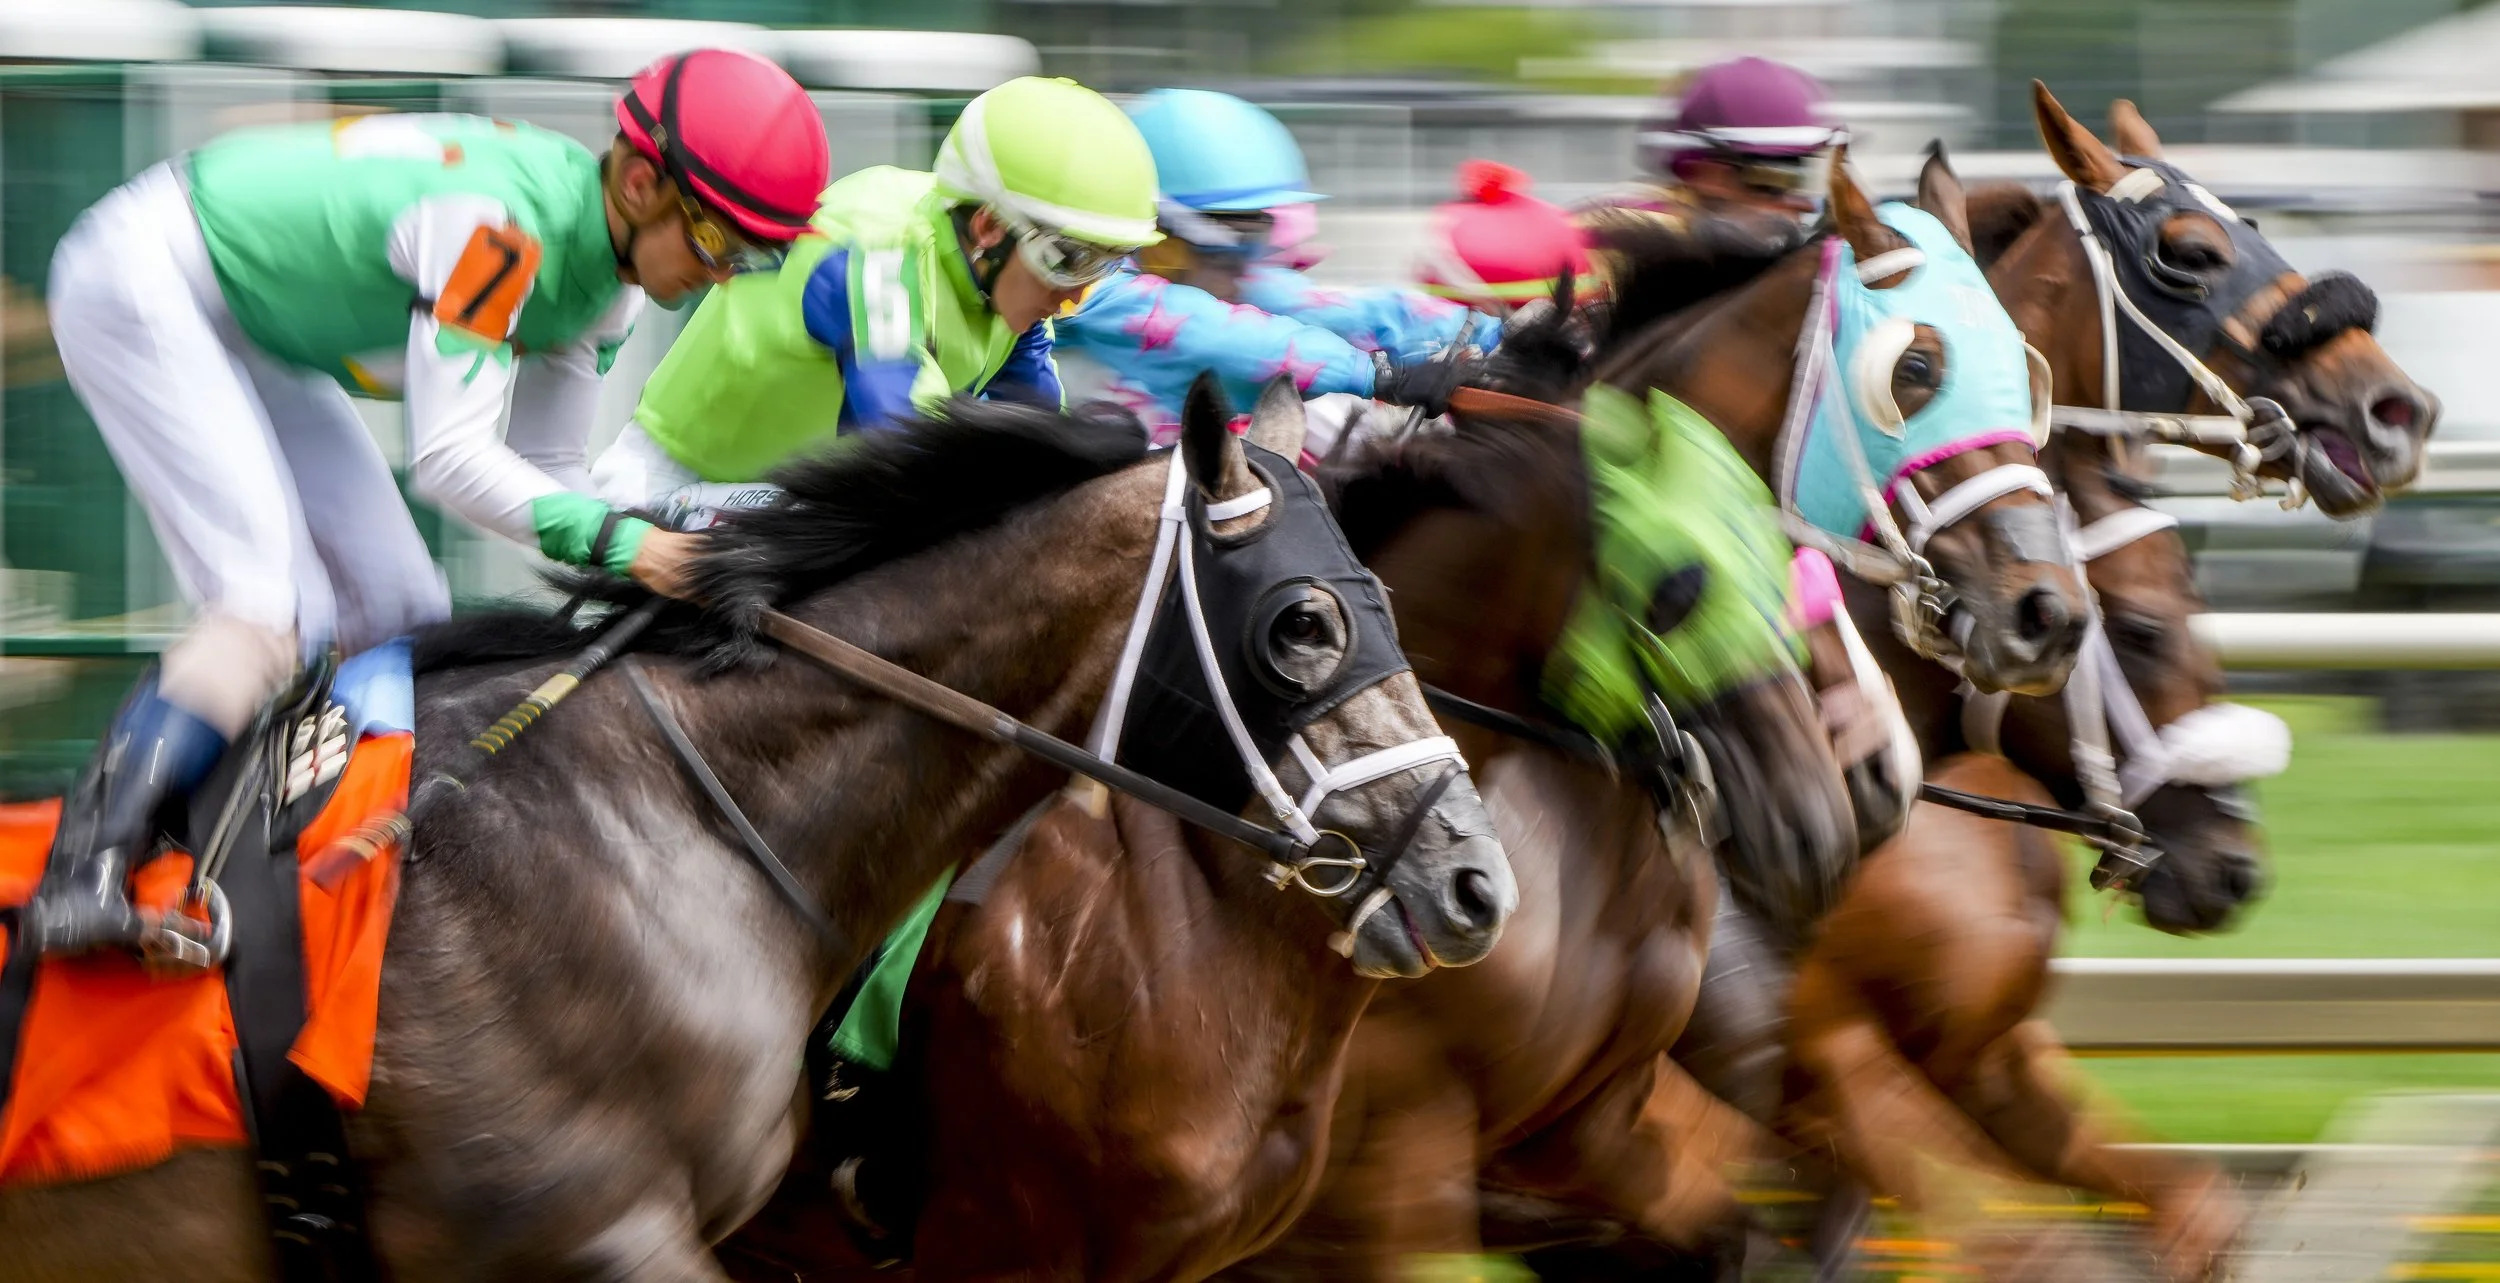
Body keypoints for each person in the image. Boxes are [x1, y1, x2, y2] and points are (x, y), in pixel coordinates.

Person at [25, 47, 830, 965]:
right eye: (721, 242)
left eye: (750, 257)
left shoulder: (609, 288)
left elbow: (547, 474)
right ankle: (81, 874)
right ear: (644, 182)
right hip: (145, 278)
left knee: (405, 611)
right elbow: (450, 459)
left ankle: (284, 868)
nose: (725, 276)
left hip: (249, 324)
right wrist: (634, 548)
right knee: (264, 608)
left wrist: (683, 527)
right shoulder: (503, 230)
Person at [593, 76, 1159, 526]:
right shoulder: (877, 247)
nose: (1077, 295)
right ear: (989, 227)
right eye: (1069, 260)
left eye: (1103, 265)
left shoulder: (1012, 286)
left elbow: (1041, 445)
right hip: (665, 493)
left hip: (787, 495)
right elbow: (907, 447)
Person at [1054, 88, 1479, 440]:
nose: (1245, 261)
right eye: (1231, 234)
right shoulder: (1087, 288)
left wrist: (1493, 332)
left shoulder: (1216, 279)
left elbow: (1335, 308)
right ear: (1160, 233)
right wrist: (1377, 374)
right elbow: (1212, 331)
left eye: (1256, 229)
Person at [1576, 56, 1845, 288]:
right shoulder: (1612, 242)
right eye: (1781, 176)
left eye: (1807, 176)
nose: (1806, 205)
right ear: (1708, 175)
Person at [1414, 159, 1595, 320]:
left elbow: (1440, 266)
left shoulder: (1452, 218)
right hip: (1550, 302)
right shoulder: (1548, 214)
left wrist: (1486, 299)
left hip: (1489, 306)